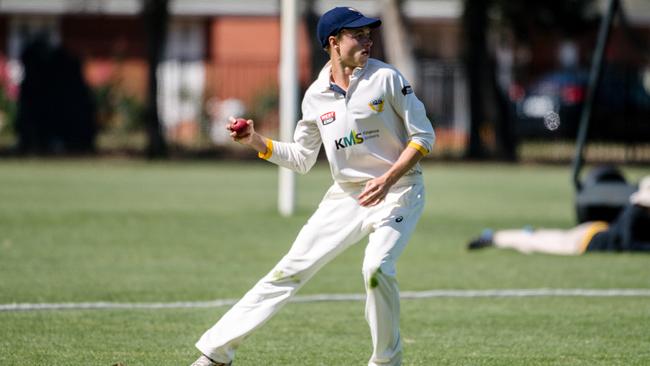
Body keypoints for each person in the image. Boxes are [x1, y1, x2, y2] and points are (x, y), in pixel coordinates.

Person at [191, 7, 435, 366]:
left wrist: (388, 179)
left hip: (400, 191)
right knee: (289, 270)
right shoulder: (315, 95)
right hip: (347, 197)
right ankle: (215, 354)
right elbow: (303, 158)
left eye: (369, 34)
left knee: (376, 267)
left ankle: (386, 361)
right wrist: (257, 141)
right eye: (358, 35)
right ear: (334, 43)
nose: (368, 40)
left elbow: (424, 136)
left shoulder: (387, 78)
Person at [467, 176, 650, 255]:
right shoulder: (635, 212)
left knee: (543, 237)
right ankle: (495, 238)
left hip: (593, 232)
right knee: (540, 241)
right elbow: (628, 243)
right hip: (586, 240)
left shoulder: (639, 211)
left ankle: (500, 237)